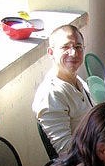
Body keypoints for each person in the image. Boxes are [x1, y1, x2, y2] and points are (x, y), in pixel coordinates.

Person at [32, 25, 94, 155]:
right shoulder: (51, 93)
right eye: (65, 47)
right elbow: (67, 151)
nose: (74, 53)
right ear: (51, 53)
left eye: (78, 47)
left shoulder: (77, 81)